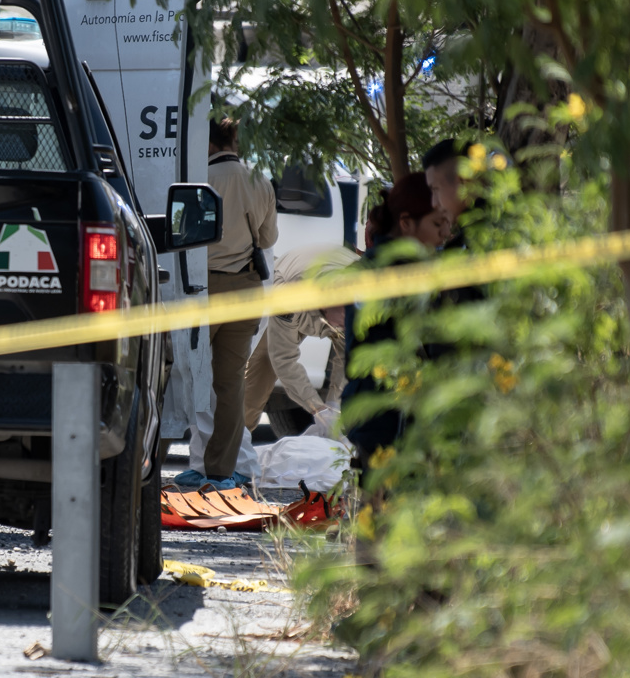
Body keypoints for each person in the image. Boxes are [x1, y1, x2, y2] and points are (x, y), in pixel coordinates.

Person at [177, 117, 277, 489]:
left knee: (188, 377)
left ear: (209, 144)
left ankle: (193, 462)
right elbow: (267, 238)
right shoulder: (260, 181)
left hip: (202, 289)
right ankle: (221, 471)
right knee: (231, 383)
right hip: (246, 288)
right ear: (234, 141)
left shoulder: (198, 180)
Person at [341, 172, 450, 468]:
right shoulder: (392, 272)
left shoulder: (386, 265)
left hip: (379, 413)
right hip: (386, 417)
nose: (443, 235)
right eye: (437, 224)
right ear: (406, 223)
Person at [243, 244, 362, 437]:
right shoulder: (290, 294)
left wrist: (333, 406)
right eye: (346, 315)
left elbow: (346, 359)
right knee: (264, 364)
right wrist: (316, 408)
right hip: (289, 283)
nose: (349, 323)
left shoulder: (360, 298)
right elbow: (283, 359)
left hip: (327, 297)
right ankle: (236, 439)